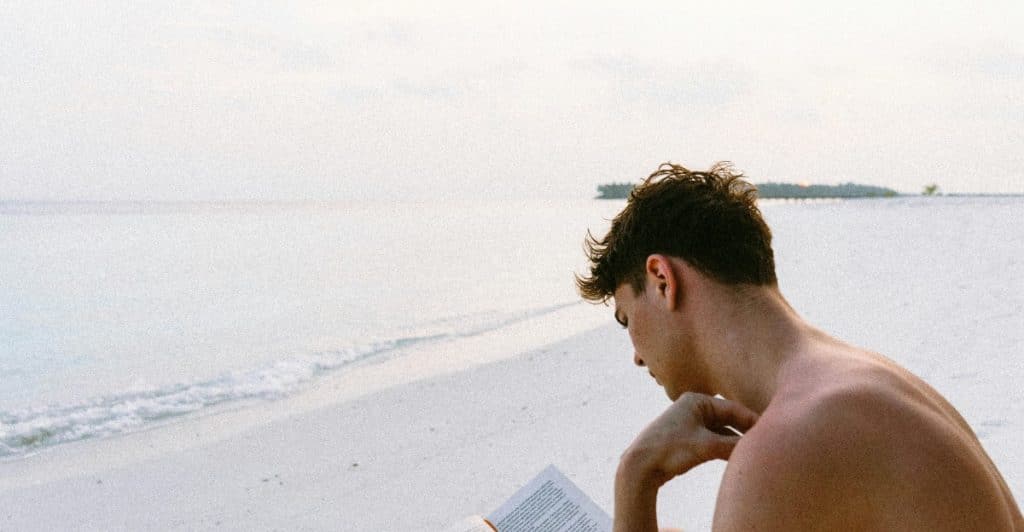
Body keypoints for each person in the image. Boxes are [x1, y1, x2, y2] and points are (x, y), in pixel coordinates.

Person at [576, 162, 1022, 531]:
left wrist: (635, 477)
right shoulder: (866, 383)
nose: (635, 354)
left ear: (661, 280)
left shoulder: (787, 446)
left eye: (626, 319)